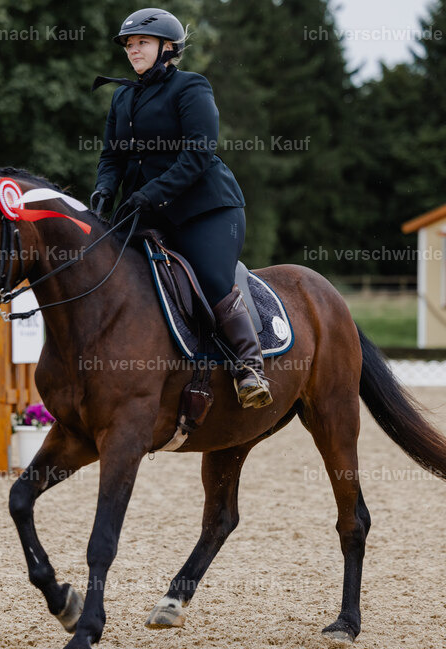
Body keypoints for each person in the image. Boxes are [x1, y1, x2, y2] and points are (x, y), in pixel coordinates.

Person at [90, 8, 272, 409]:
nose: (133, 50)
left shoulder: (191, 87)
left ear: (168, 48)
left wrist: (149, 193)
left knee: (210, 277)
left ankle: (249, 367)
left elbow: (197, 155)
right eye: (129, 45)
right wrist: (104, 189)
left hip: (205, 210)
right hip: (143, 210)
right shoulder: (122, 97)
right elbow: (111, 157)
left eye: (142, 43)